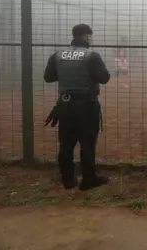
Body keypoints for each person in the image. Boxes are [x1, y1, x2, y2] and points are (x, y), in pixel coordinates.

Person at [43, 24, 110, 191]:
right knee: (87, 143)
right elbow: (104, 78)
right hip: (87, 105)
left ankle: (68, 180)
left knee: (66, 143)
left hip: (64, 104)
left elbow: (48, 77)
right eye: (90, 36)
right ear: (86, 36)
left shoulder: (57, 55)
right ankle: (88, 180)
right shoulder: (91, 56)